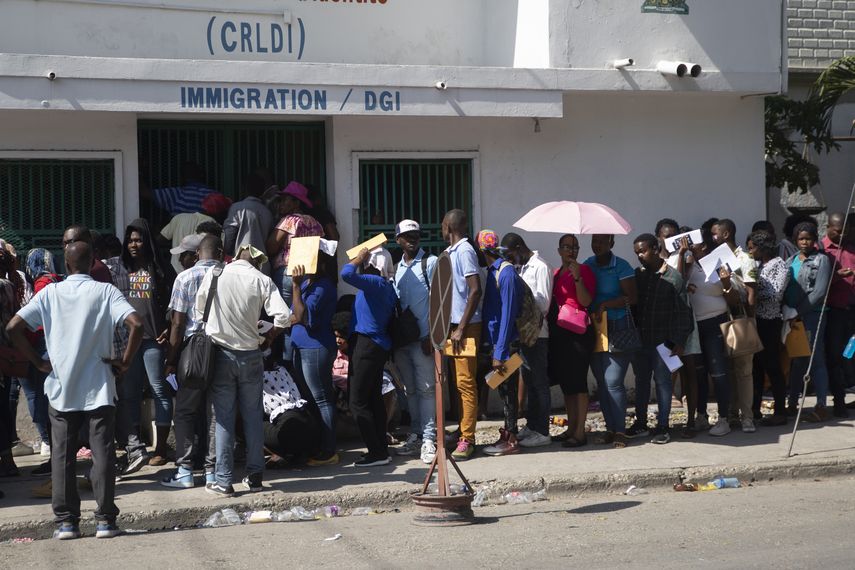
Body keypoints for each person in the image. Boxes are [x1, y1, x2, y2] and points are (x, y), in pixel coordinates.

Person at [6, 241, 143, 540]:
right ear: (93, 261)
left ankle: (67, 523)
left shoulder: (51, 294)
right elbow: (136, 323)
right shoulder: (105, 292)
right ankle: (106, 520)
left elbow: (13, 327)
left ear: (66, 265)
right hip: (100, 388)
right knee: (102, 453)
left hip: (61, 388)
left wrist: (38, 362)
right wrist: (126, 362)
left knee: (62, 457)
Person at [196, 244, 290, 496]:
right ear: (257, 263)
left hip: (221, 355)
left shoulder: (216, 275)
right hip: (251, 355)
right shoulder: (262, 279)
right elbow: (284, 316)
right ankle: (255, 476)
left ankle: (224, 481)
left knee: (224, 419)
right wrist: (269, 336)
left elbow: (198, 311)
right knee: (253, 417)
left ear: (236, 257)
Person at [159, 235, 224, 490]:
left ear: (197, 253)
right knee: (215, 413)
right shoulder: (229, 274)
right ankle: (213, 472)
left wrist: (171, 359)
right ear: (221, 252)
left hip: (192, 351)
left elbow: (177, 323)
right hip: (222, 349)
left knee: (185, 411)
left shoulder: (184, 278)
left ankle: (185, 471)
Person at [115, 219, 175, 473]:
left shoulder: (159, 268)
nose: (133, 244)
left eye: (138, 239)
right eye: (130, 240)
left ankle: (160, 447)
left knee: (158, 389)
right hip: (128, 342)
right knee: (129, 394)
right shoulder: (119, 269)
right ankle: (134, 446)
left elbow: (176, 302)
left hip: (153, 339)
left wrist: (169, 327)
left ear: (147, 241)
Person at [632, 234, 694, 445]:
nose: (640, 256)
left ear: (655, 249)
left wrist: (679, 341)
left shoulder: (673, 277)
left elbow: (683, 312)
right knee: (641, 382)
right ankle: (640, 423)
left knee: (663, 384)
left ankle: (663, 426)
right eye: (637, 253)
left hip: (663, 341)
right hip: (642, 339)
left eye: (643, 251)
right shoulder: (639, 275)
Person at [340, 247, 398, 467]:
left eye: (367, 263)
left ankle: (376, 452)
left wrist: (358, 258)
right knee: (373, 398)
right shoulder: (385, 286)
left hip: (367, 345)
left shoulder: (375, 283)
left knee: (357, 401)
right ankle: (380, 448)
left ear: (373, 265)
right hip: (375, 345)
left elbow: (346, 274)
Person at [679, 230, 738, 437]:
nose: (689, 247)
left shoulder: (720, 262)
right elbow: (677, 285)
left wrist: (726, 283)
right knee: (698, 372)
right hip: (694, 326)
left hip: (715, 324)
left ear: (703, 246)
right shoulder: (688, 265)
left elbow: (734, 300)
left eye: (692, 244)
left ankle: (723, 418)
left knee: (719, 372)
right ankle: (701, 416)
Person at [499, 232, 553, 448]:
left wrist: (521, 291)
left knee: (539, 383)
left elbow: (543, 303)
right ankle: (532, 425)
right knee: (529, 381)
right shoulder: (520, 267)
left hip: (538, 335)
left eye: (511, 254)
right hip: (523, 334)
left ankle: (543, 431)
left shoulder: (540, 266)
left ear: (520, 248)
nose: (510, 260)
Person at [392, 220, 439, 463]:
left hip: (423, 340)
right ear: (398, 239)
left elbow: (440, 301)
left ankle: (430, 438)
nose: (412, 239)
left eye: (416, 235)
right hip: (403, 341)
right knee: (410, 390)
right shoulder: (396, 268)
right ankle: (417, 434)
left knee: (427, 390)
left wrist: (432, 335)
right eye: (407, 236)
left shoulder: (429, 263)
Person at [583, 235, 637, 445]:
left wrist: (606, 305)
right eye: (595, 241)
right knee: (602, 383)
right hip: (596, 329)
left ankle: (621, 431)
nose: (597, 246)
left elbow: (632, 298)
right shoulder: (588, 265)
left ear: (611, 244)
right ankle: (610, 428)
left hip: (617, 327)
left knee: (614, 382)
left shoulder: (621, 266)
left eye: (602, 242)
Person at [441, 210, 484, 461]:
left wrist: (460, 328)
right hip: (455, 325)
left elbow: (475, 290)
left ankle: (468, 438)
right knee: (457, 383)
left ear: (448, 226)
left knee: (466, 383)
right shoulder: (454, 252)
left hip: (466, 327)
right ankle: (462, 429)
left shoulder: (465, 251)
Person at [477, 230, 524, 456]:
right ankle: (508, 433)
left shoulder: (505, 274)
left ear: (482, 250)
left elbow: (507, 315)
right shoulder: (493, 272)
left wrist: (500, 352)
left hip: (505, 344)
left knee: (508, 392)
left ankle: (512, 439)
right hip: (496, 342)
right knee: (503, 390)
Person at [290, 253, 339, 466]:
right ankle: (319, 444)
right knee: (310, 398)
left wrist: (295, 286)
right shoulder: (311, 283)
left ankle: (329, 450)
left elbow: (301, 316)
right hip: (303, 346)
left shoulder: (322, 286)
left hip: (315, 348)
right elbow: (294, 315)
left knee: (322, 398)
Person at [547, 234, 596, 448]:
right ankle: (571, 428)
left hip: (579, 332)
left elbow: (585, 300)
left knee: (578, 382)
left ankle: (580, 432)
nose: (571, 251)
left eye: (575, 247)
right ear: (559, 250)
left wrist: (578, 278)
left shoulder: (584, 270)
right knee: (567, 384)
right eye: (567, 247)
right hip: (560, 333)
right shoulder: (556, 273)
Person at [712, 218, 759, 432]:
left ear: (727, 234)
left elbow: (751, 293)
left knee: (744, 370)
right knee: (727, 370)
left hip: (739, 318)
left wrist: (750, 322)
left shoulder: (744, 258)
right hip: (718, 319)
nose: (712, 238)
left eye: (715, 234)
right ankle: (731, 414)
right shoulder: (713, 260)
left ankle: (747, 416)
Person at [784, 222, 833, 422]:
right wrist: (788, 310)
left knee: (815, 358)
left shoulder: (822, 260)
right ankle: (793, 403)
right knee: (798, 360)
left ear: (815, 240)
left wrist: (798, 310)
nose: (805, 242)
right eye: (801, 238)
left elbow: (819, 292)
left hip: (812, 315)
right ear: (796, 239)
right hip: (792, 317)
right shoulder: (791, 260)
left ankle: (821, 405)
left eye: (809, 238)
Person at [19, 249, 61, 473]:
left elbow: (35, 323)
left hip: (43, 347)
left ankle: (54, 453)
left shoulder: (42, 285)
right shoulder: (58, 281)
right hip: (58, 346)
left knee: (43, 400)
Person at [747, 230, 790, 424]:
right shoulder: (757, 265)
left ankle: (780, 411)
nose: (750, 252)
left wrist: (754, 291)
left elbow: (776, 292)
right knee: (756, 366)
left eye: (752, 248)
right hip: (755, 320)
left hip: (769, 320)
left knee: (772, 365)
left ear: (762, 247)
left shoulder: (779, 265)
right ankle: (754, 409)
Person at [821, 212, 855, 417]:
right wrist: (836, 276)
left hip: (853, 312)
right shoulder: (821, 250)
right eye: (838, 231)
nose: (842, 235)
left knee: (850, 355)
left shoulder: (852, 248)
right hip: (834, 313)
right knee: (835, 356)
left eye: (846, 231)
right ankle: (839, 400)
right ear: (828, 227)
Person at [0, 246, 22, 480]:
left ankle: (6, 461)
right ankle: (8, 461)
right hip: (7, 355)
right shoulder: (9, 285)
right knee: (4, 409)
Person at [223, 174, 274, 274]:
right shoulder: (268, 212)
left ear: (244, 189)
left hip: (240, 266)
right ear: (263, 191)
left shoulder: (237, 208)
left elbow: (229, 237)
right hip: (262, 267)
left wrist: (225, 256)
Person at [157, 208, 214, 274]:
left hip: (175, 270)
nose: (179, 259)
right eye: (182, 255)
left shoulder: (179, 218)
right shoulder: (211, 222)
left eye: (183, 255)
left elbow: (160, 239)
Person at [150, 162, 215, 216]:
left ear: (182, 177)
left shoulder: (177, 194)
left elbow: (145, 193)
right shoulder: (213, 194)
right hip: (204, 230)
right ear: (202, 174)